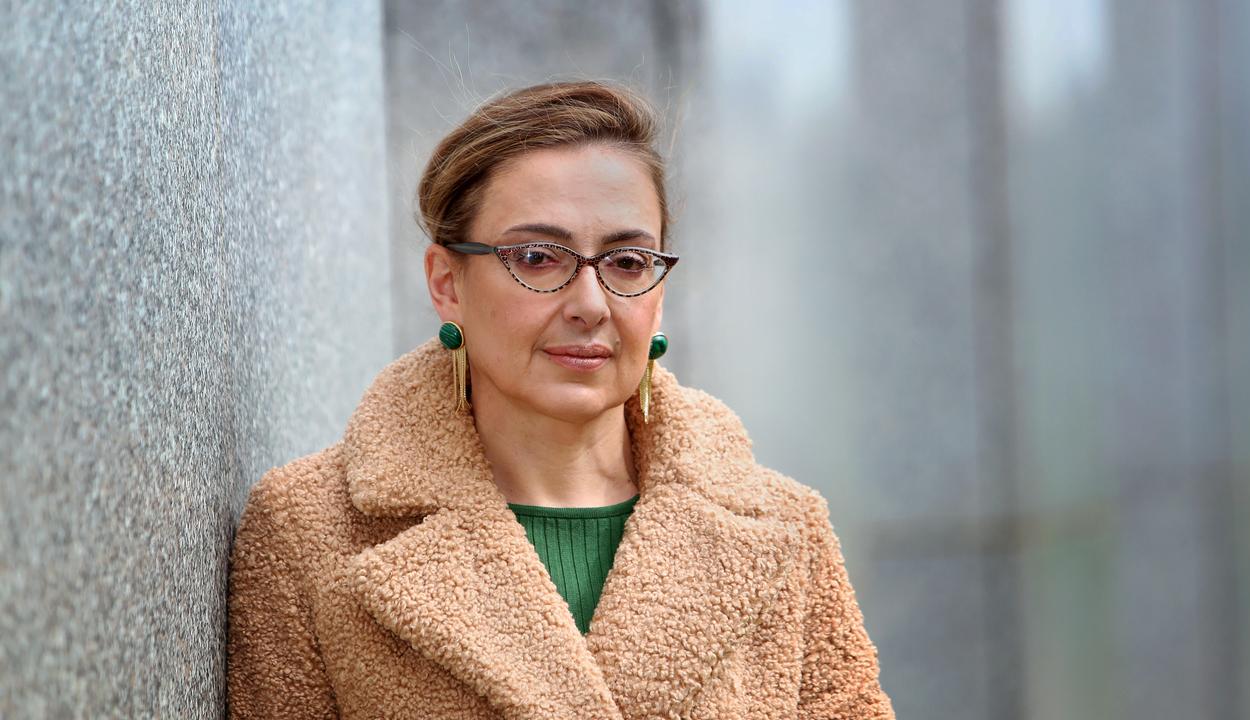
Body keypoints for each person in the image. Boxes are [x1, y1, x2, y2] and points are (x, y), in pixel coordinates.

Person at [226, 79, 895, 719]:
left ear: (658, 293)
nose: (590, 305)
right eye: (540, 257)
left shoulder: (785, 528)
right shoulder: (309, 532)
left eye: (628, 263)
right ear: (446, 283)